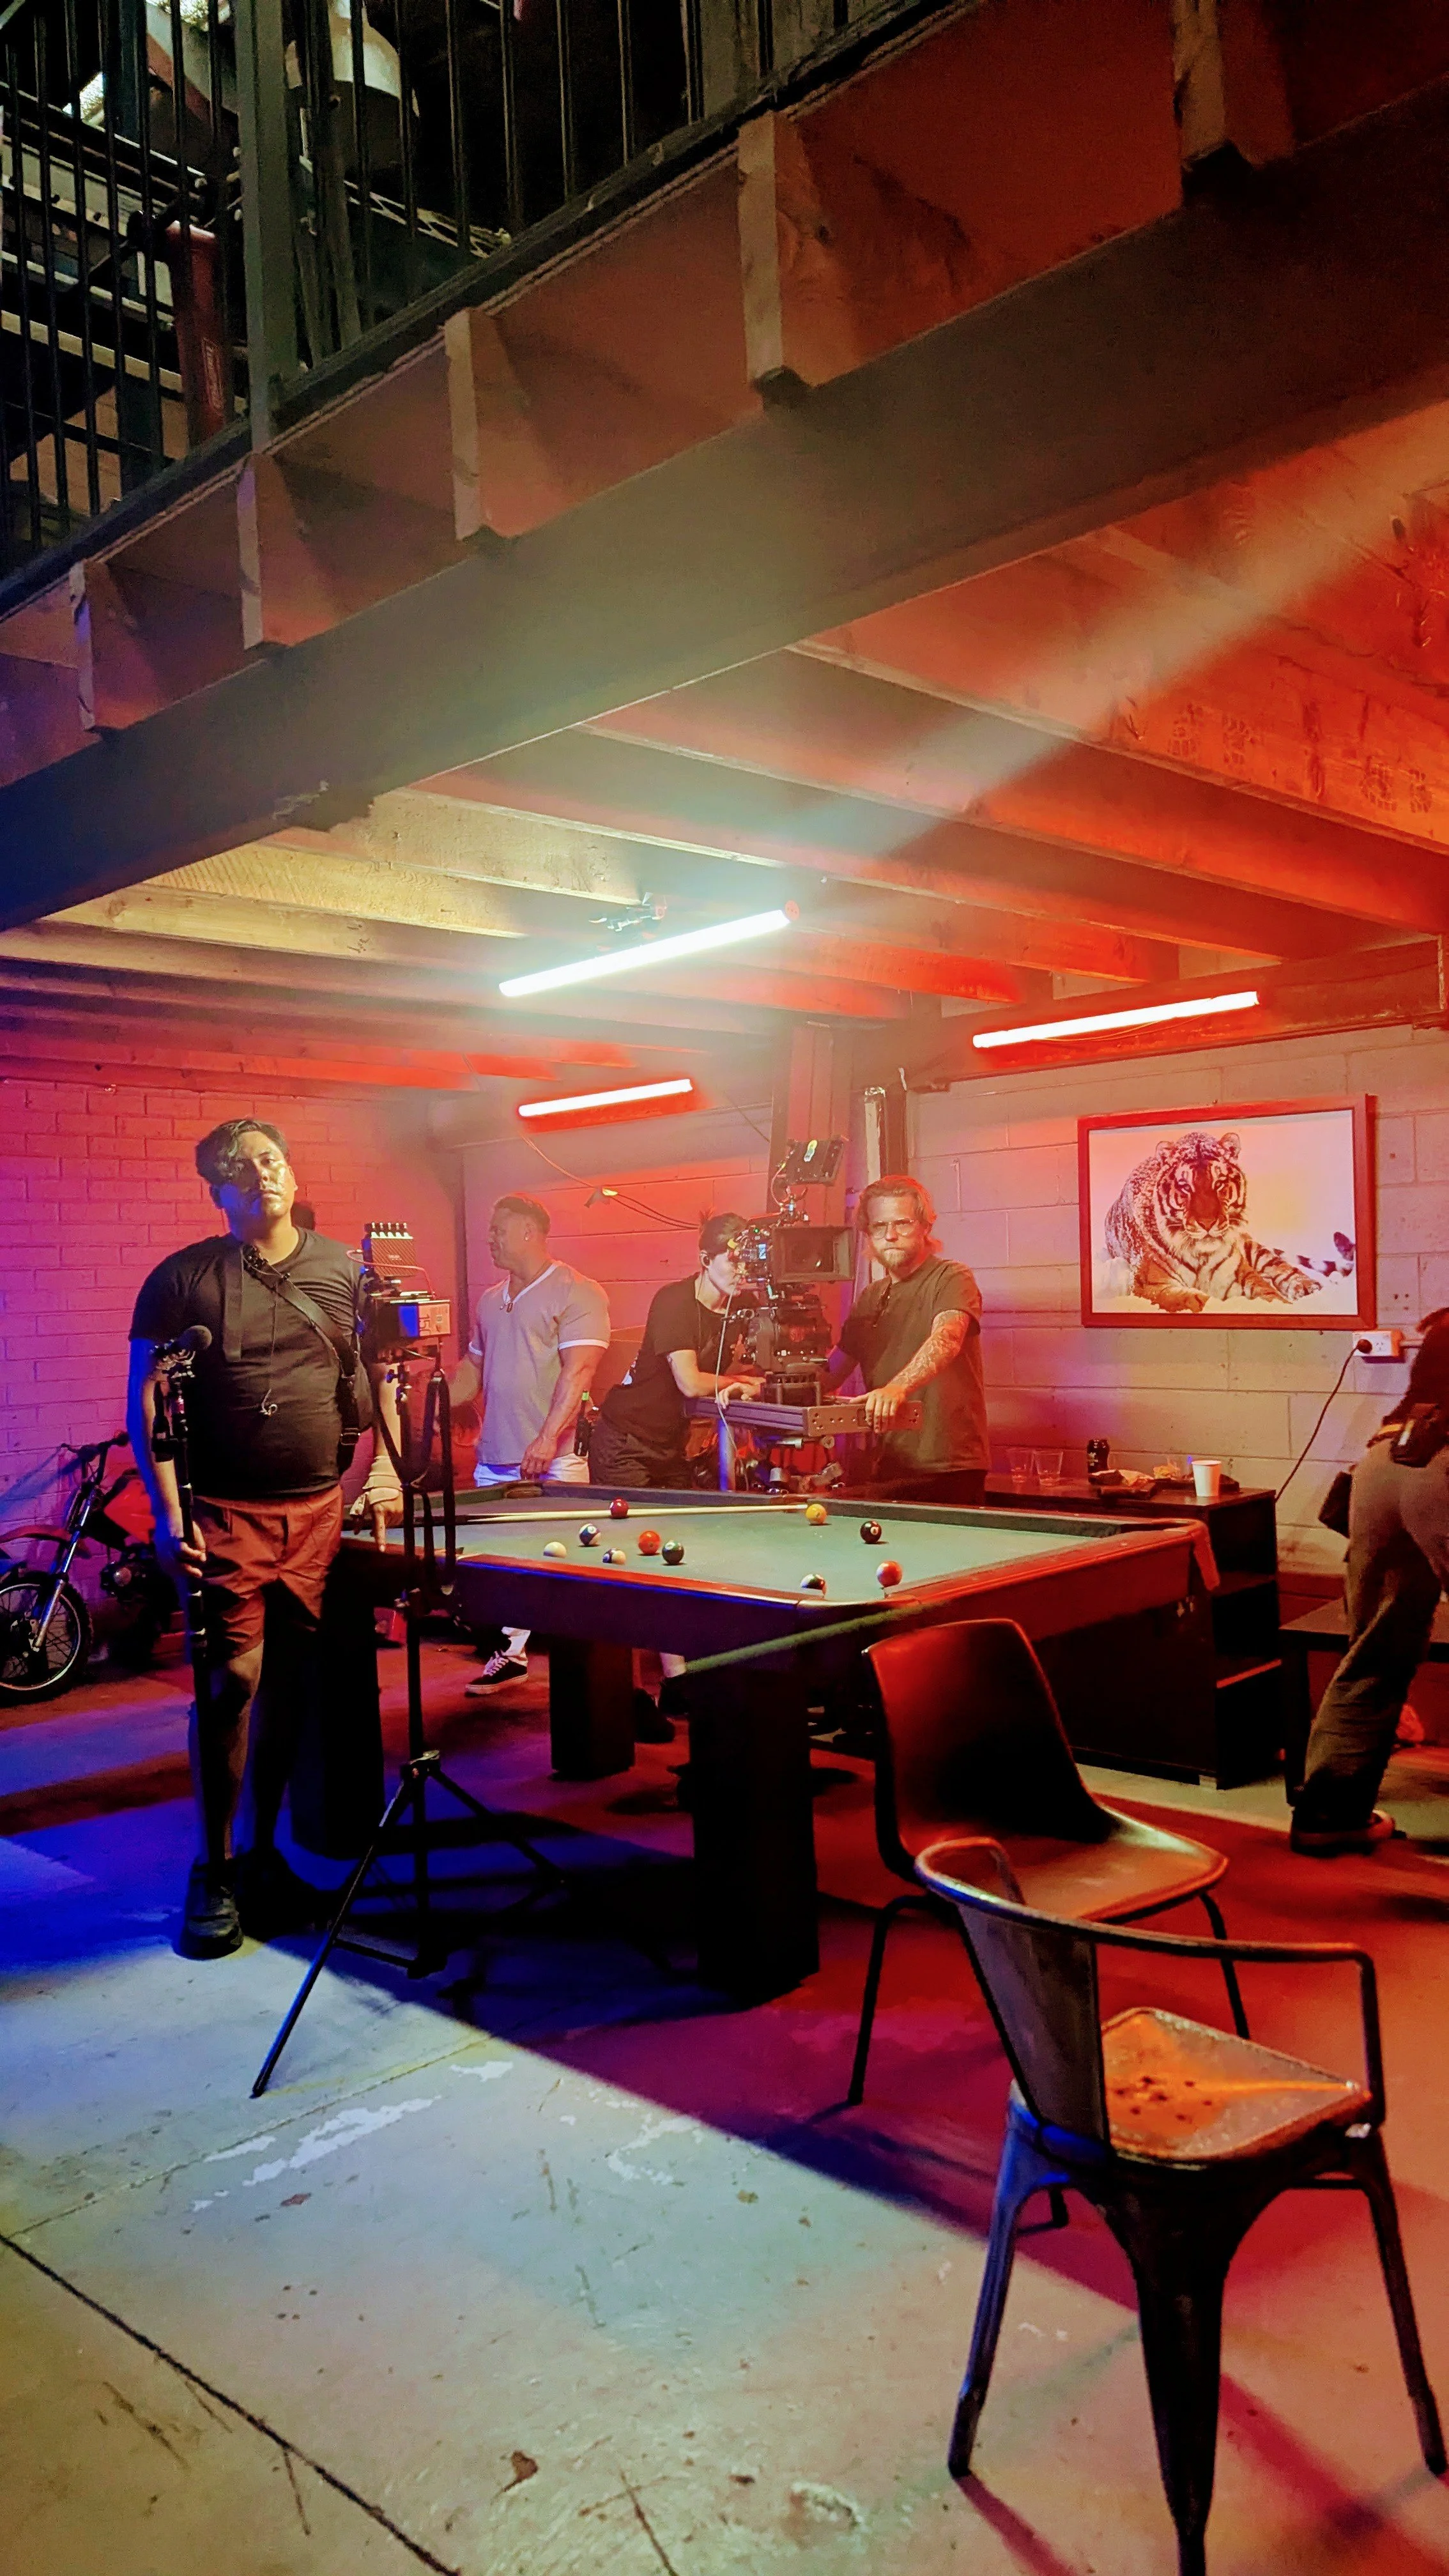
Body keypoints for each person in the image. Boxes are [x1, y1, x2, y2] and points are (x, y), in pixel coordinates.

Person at [128, 1118, 362, 1959]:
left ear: (292, 1170)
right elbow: (148, 1402)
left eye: (271, 1158)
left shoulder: (344, 1269)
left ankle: (263, 1854)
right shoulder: (181, 1279)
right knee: (232, 1682)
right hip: (222, 1512)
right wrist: (168, 1515)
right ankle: (214, 1869)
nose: (260, 1174)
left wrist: (366, 1485)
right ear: (216, 1192)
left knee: (292, 1687)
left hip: (315, 1513)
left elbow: (360, 1386)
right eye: (239, 1168)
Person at [1291, 1308, 1449, 1856]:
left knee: (1373, 1653)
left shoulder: (1443, 1321)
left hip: (1383, 1462)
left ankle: (1328, 1816)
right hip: (1446, 1465)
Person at [450, 1193, 610, 1691]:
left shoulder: (578, 1292)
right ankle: (511, 1654)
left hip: (553, 1460)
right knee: (497, 1571)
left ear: (527, 1233)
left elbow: (579, 1370)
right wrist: (429, 1403)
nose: (489, 1238)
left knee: (567, 1568)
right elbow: (473, 1368)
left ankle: (590, 1679)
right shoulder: (489, 1299)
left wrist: (545, 1440)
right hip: (494, 1457)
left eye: (499, 1229)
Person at [825, 1174, 988, 1505]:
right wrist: (762, 1388)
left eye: (902, 1223)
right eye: (878, 1226)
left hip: (949, 1466)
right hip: (890, 1462)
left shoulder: (952, 1277)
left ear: (926, 1226)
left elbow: (947, 1340)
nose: (890, 1235)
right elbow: (832, 1372)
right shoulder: (871, 1296)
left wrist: (896, 1388)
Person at [589, 1212, 763, 1489]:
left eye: (747, 1261)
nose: (742, 1270)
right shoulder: (674, 1302)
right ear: (706, 1260)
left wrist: (755, 1386)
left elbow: (764, 1372)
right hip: (627, 1443)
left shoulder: (746, 1304)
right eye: (733, 1261)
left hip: (672, 1447)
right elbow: (690, 1383)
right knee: (632, 1529)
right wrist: (740, 1382)